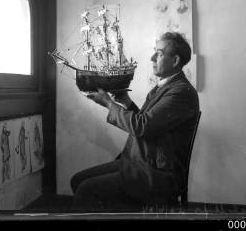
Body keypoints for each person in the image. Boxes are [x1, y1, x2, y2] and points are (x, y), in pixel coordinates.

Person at [70, 32, 199, 212]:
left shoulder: (181, 92)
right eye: (155, 51)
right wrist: (126, 102)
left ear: (175, 60)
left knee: (85, 189)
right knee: (77, 180)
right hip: (140, 162)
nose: (152, 57)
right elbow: (149, 124)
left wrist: (108, 103)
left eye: (159, 53)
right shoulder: (165, 87)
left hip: (155, 175)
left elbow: (142, 126)